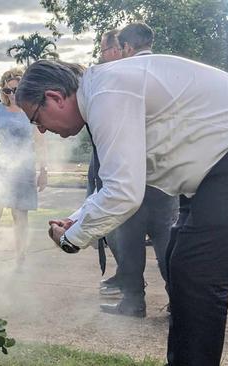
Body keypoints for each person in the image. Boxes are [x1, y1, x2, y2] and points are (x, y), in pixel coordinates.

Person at [16, 57, 228, 365]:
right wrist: (76, 220)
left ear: (54, 97)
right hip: (226, 161)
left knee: (197, 275)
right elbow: (118, 179)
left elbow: (123, 192)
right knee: (182, 266)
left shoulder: (107, 94)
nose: (41, 130)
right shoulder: (102, 90)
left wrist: (71, 239)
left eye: (36, 118)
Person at [99, 22, 178, 317]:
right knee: (167, 239)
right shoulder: (169, 70)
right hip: (166, 170)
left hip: (131, 170)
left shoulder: (123, 73)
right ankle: (180, 301)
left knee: (129, 238)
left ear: (128, 48)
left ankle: (133, 302)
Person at [0, 67, 47, 267]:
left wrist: (43, 170)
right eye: (8, 90)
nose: (12, 94)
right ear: (3, 90)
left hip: (24, 170)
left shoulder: (32, 110)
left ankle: (20, 259)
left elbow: (39, 143)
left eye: (16, 90)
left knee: (20, 218)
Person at [91, 29, 123, 295]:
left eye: (102, 50)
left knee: (121, 224)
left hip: (119, 160)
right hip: (106, 158)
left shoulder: (117, 79)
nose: (101, 56)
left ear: (115, 50)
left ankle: (132, 284)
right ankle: (126, 275)